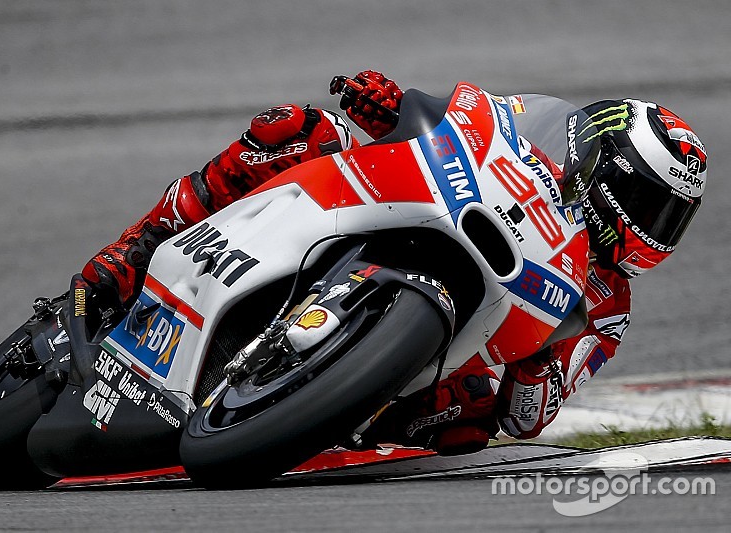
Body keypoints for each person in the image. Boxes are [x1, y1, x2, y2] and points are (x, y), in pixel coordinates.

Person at [82, 71, 707, 455]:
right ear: (604, 165)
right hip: (428, 223)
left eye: (669, 219)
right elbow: (463, 129)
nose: (653, 229)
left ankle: (333, 404)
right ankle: (138, 247)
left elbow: (527, 421)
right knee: (300, 130)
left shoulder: (608, 308)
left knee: (469, 420)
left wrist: (540, 355)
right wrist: (389, 113)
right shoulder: (531, 139)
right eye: (650, 205)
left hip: (428, 380)